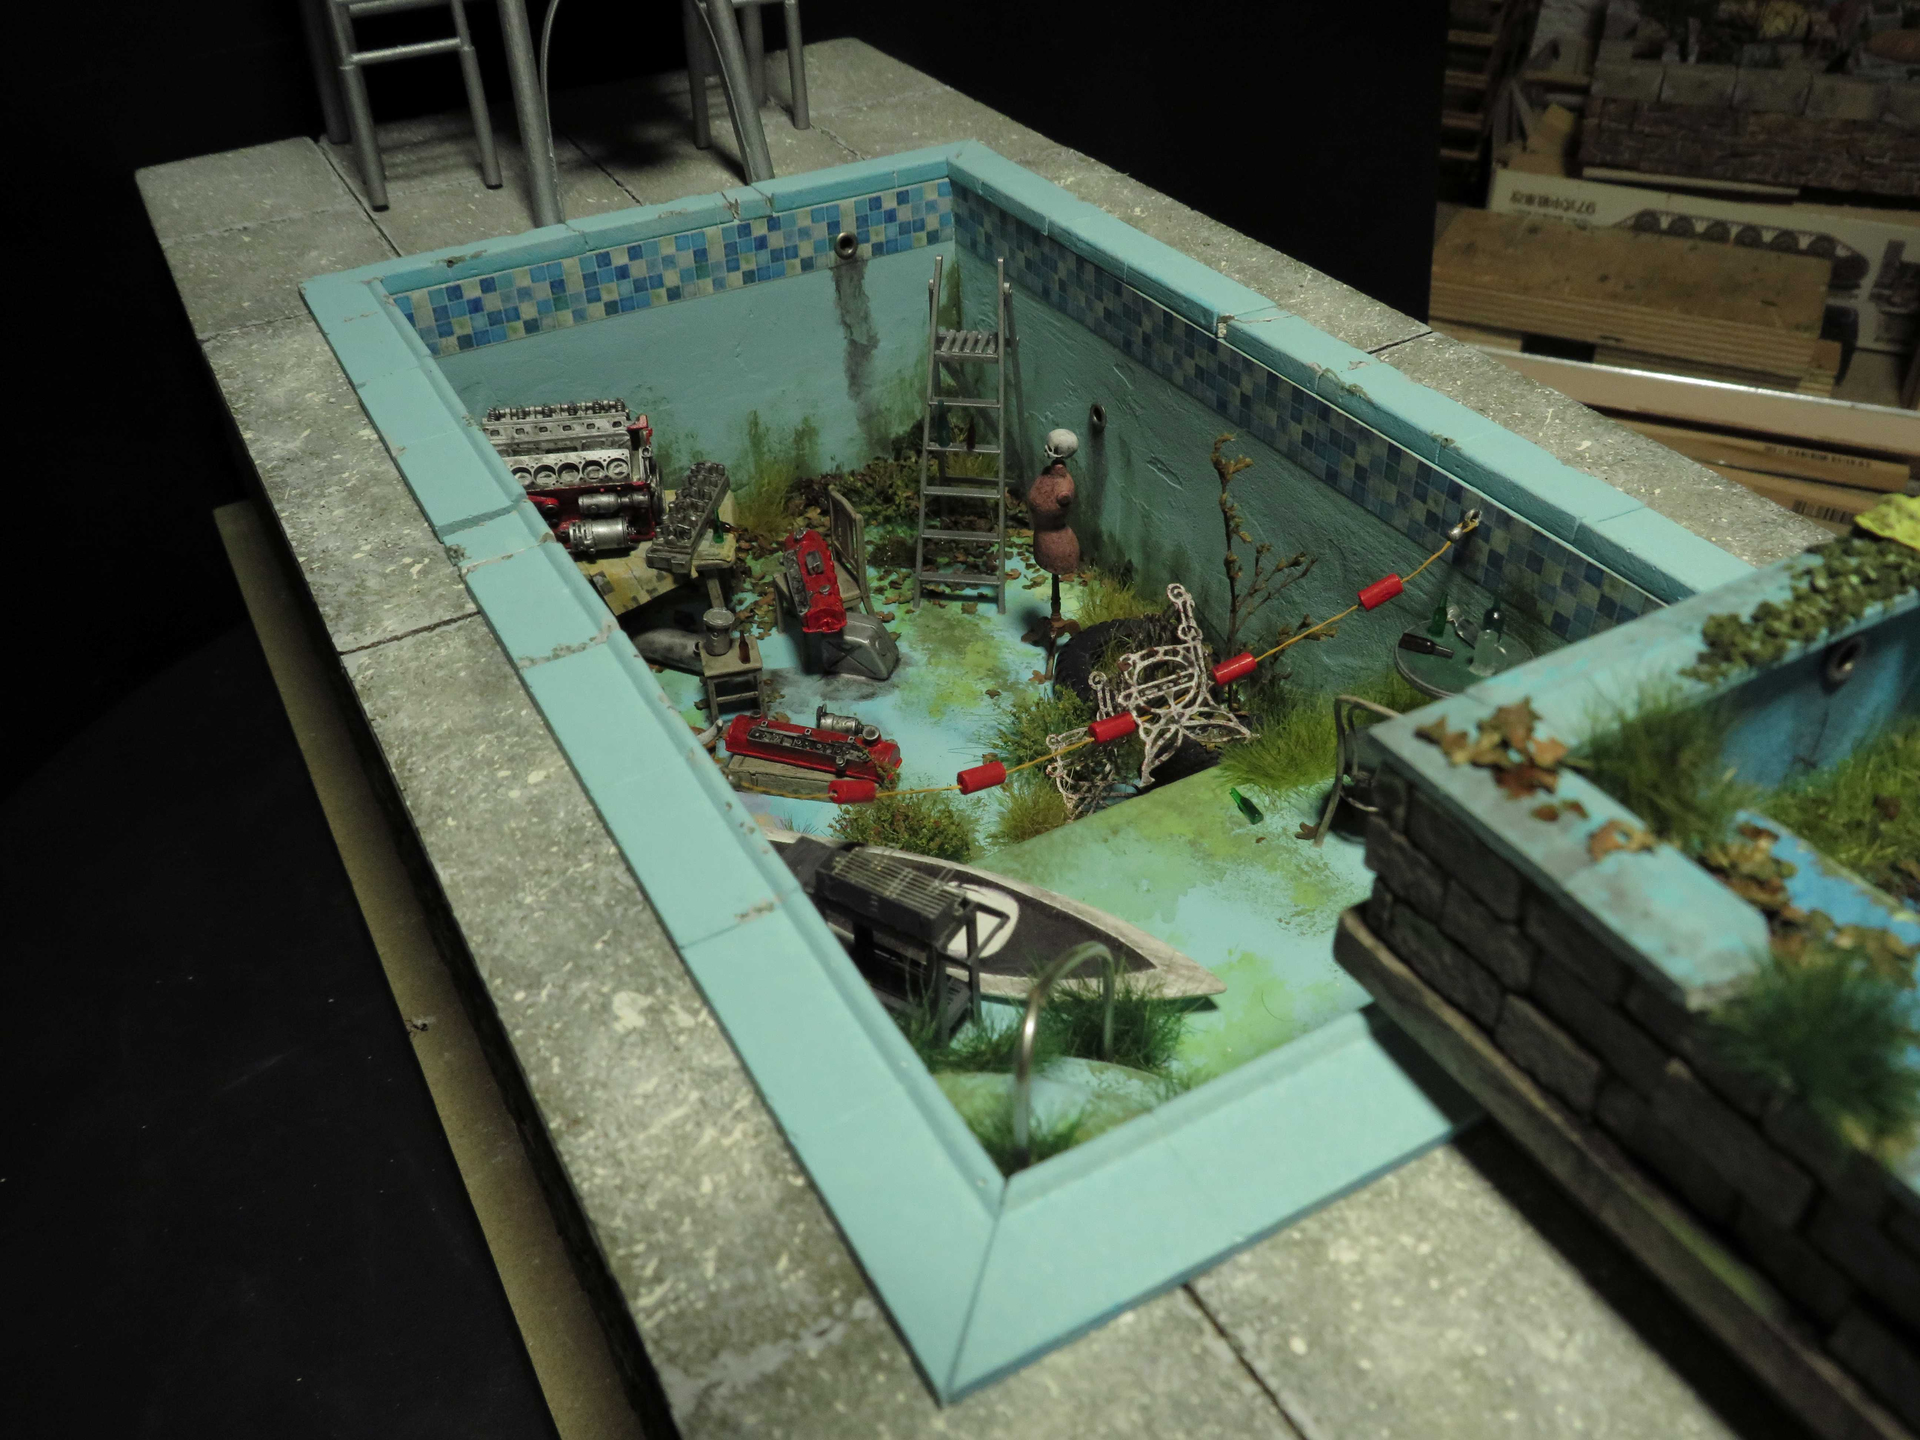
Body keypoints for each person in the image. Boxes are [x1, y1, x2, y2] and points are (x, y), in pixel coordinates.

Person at [1024, 428, 1081, 668]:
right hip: (1042, 540)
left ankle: (1057, 624)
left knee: (1055, 577)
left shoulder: (1064, 489)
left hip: (1059, 544)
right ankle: (1052, 619)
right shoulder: (1047, 475)